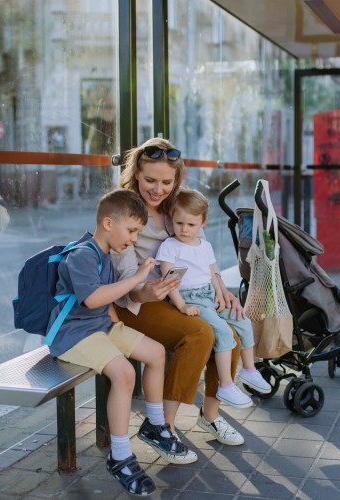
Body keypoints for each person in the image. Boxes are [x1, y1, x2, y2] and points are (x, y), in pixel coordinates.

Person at [112, 137, 247, 461]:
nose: (157, 189)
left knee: (231, 328)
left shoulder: (177, 209)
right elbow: (126, 283)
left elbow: (199, 256)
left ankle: (210, 415)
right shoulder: (124, 211)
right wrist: (146, 290)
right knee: (199, 334)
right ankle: (163, 428)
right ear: (136, 175)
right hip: (136, 302)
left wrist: (221, 289)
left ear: (176, 181)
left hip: (180, 296)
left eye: (166, 182)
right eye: (149, 181)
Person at [48, 189, 174, 496]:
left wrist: (119, 329)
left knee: (156, 353)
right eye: (131, 231)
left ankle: (155, 425)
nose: (133, 239)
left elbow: (104, 305)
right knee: (125, 373)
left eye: (137, 233)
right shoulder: (82, 255)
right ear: (108, 223)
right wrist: (136, 278)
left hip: (100, 326)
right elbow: (92, 299)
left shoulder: (103, 254)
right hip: (72, 335)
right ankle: (120, 456)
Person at [155, 188, 272, 408]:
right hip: (191, 298)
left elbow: (212, 274)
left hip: (209, 295)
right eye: (179, 223)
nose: (184, 229)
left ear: (202, 223)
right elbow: (168, 281)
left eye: (191, 225)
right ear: (171, 220)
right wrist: (182, 305)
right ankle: (226, 385)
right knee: (224, 332)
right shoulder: (170, 247)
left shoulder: (204, 246)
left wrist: (220, 293)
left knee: (244, 322)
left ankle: (249, 370)